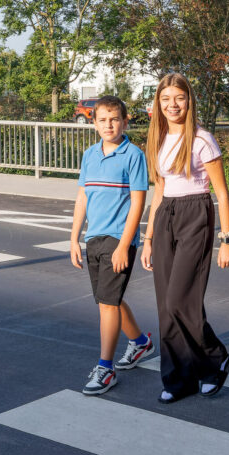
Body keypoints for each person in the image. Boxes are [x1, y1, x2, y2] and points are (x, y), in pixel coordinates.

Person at [140, 73, 229, 404]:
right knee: (166, 307)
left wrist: (227, 239)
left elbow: (222, 194)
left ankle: (215, 361)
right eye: (166, 99)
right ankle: (178, 379)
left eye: (178, 98)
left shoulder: (202, 140)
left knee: (181, 301)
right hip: (166, 215)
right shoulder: (158, 139)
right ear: (158, 104)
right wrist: (149, 237)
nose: (172, 105)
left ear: (189, 100)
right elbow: (159, 191)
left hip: (196, 213)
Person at [70, 95, 154, 395]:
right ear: (94, 123)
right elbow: (83, 197)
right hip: (94, 238)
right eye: (102, 119)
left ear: (125, 122)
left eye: (114, 119)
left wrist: (124, 245)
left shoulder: (134, 155)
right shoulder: (89, 155)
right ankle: (141, 342)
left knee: (107, 303)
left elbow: (138, 203)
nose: (109, 125)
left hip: (119, 239)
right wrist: (74, 238)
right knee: (111, 299)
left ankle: (105, 369)